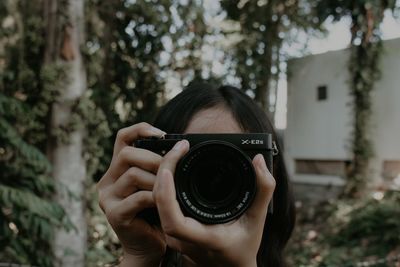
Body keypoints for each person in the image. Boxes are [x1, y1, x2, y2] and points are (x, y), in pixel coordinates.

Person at [97, 83, 296, 267]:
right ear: (154, 170)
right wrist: (140, 255)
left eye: (232, 164)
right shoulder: (144, 251)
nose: (212, 184)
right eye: (193, 163)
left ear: (270, 179)